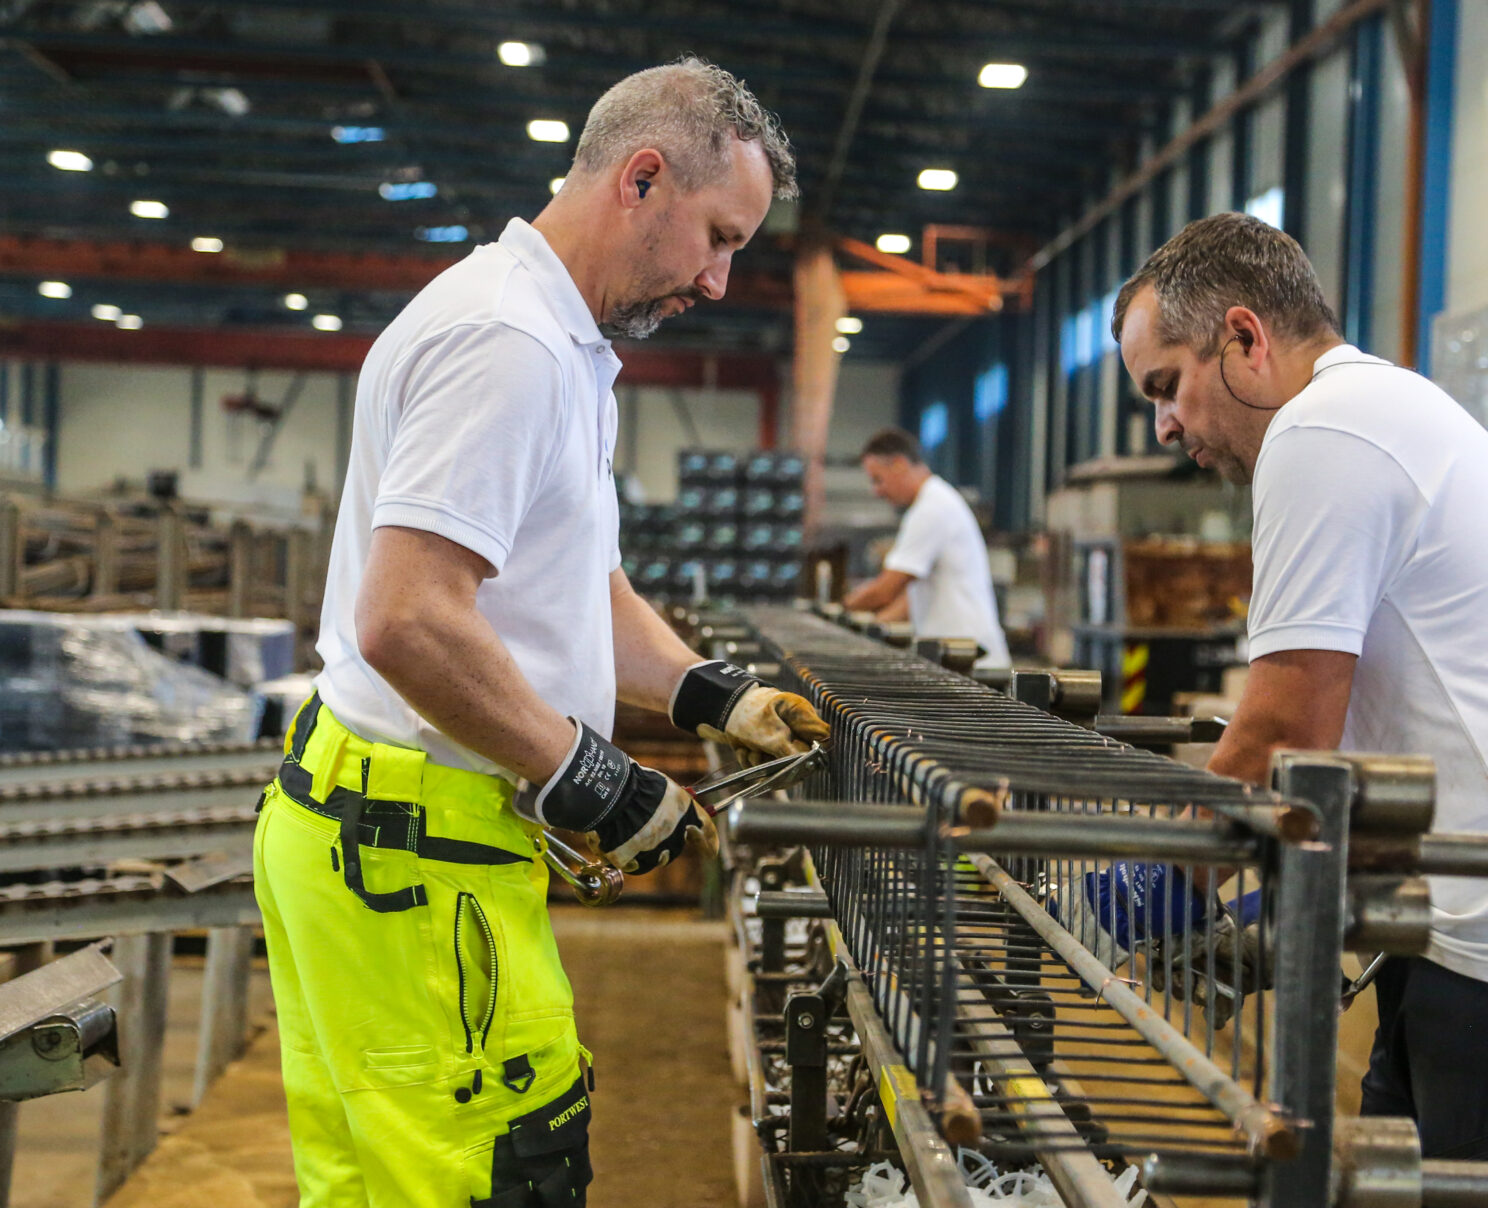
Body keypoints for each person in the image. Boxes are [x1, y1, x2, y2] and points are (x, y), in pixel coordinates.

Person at [253, 58, 829, 1207]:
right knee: (506, 1172)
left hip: (378, 838)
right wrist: (589, 776)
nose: (719, 281)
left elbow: (576, 587)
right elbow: (409, 617)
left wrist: (713, 694)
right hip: (417, 865)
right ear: (643, 178)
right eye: (717, 237)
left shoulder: (555, 343)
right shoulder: (508, 343)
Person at [1112, 212, 1488, 1167]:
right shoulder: (1372, 413)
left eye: (1167, 386)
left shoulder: (1321, 430)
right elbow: (1368, 730)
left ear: (1243, 338)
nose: (1165, 425)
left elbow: (1283, 725)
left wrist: (1159, 870)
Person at [843, 426, 1011, 669]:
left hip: (971, 660)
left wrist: (842, 608)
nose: (876, 491)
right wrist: (871, 627)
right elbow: (909, 598)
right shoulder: (933, 502)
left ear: (900, 464)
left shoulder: (931, 509)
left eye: (877, 479)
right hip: (959, 657)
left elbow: (885, 590)